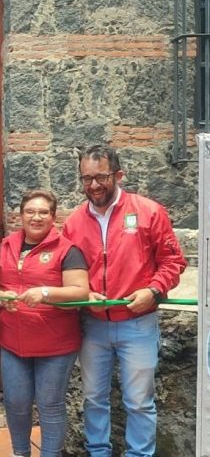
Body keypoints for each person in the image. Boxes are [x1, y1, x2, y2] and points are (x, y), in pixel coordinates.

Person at [63, 145, 186, 457]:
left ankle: (139, 454)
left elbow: (173, 261)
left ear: (118, 175)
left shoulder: (149, 211)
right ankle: (98, 452)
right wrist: (83, 294)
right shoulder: (73, 222)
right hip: (93, 325)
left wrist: (154, 291)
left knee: (140, 401)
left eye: (101, 177)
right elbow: (66, 271)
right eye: (86, 178)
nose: (93, 185)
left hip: (138, 323)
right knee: (92, 397)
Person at [0, 190, 89, 457]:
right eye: (30, 212)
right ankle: (20, 453)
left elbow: (80, 292)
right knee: (15, 404)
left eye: (43, 212)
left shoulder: (68, 250)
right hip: (13, 342)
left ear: (53, 217)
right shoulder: (5, 246)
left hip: (55, 345)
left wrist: (45, 292)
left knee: (50, 405)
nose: (36, 217)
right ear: (20, 215)